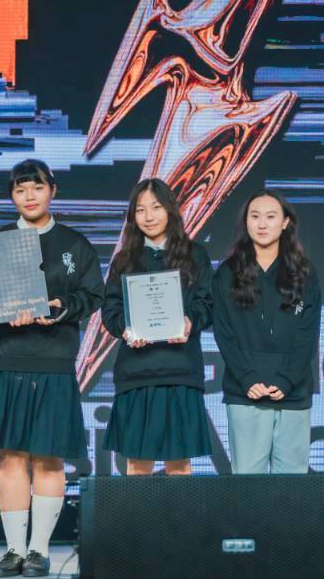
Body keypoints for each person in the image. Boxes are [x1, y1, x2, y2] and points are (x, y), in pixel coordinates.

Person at [0, 160, 104, 579]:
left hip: (53, 360)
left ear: (53, 190)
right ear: (11, 196)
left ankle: (39, 551)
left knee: (49, 457)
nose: (29, 196)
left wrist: (61, 307)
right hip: (4, 357)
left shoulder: (75, 244)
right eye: (20, 189)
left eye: (37, 187)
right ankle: (13, 550)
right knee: (9, 456)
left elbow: (93, 296)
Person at [101, 178, 214, 475]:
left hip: (180, 371)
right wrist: (127, 329)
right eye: (140, 210)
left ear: (170, 210)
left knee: (179, 465)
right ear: (132, 216)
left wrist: (189, 321)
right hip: (137, 373)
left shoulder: (195, 255)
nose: (148, 216)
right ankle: (138, 512)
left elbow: (207, 303)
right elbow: (110, 310)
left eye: (156, 207)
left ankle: (179, 512)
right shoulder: (124, 260)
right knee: (137, 466)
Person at [212, 190, 321, 475]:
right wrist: (247, 378)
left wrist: (287, 380)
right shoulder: (227, 273)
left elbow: (308, 334)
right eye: (255, 216)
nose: (262, 224)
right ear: (246, 222)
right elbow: (224, 333)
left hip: (293, 390)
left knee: (292, 483)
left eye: (271, 217)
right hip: (245, 390)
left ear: (285, 223)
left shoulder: (304, 273)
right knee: (248, 483)